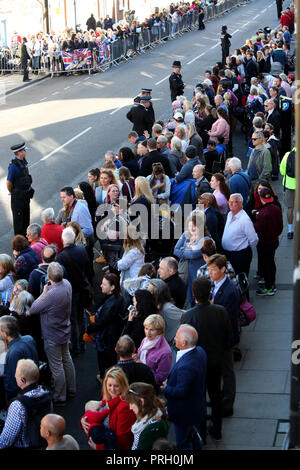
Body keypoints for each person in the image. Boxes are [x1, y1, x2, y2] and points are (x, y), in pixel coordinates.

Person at [182, 277, 233, 440]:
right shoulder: (221, 311)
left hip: (197, 364)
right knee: (216, 395)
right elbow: (228, 339)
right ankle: (217, 431)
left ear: (194, 294)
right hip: (216, 362)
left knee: (200, 398)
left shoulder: (188, 316)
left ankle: (201, 433)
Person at [27, 262, 76, 405]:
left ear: (48, 276)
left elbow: (33, 309)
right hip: (65, 330)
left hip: (52, 334)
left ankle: (60, 396)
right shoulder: (67, 284)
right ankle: (72, 389)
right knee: (67, 359)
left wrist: (44, 292)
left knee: (56, 366)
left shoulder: (51, 294)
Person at [162, 324, 207, 448]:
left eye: (176, 337)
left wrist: (166, 388)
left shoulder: (185, 366)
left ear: (184, 342)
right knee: (195, 438)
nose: (174, 338)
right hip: (196, 408)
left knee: (184, 443)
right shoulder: (200, 351)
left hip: (184, 414)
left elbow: (181, 392)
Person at [207, 254, 240, 418]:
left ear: (223, 269)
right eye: (209, 269)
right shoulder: (216, 284)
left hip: (224, 339)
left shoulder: (229, 291)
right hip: (218, 338)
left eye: (213, 270)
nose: (210, 273)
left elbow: (227, 318)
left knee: (227, 372)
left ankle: (227, 405)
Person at [56, 227, 92, 357]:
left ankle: (76, 347)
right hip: (82, 289)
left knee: (72, 320)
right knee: (81, 317)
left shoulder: (60, 257)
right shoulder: (81, 250)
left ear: (63, 240)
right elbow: (88, 269)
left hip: (70, 292)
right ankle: (83, 344)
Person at [0, 359, 52, 449]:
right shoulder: (45, 392)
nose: (14, 376)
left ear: (23, 380)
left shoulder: (17, 405)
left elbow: (6, 440)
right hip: (44, 444)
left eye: (16, 374)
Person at [81, 367, 135, 450]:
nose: (112, 389)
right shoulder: (107, 395)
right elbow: (96, 413)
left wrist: (99, 447)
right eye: (110, 385)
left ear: (123, 385)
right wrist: (84, 420)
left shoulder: (125, 407)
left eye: (116, 386)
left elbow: (123, 440)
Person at [86, 274, 124, 383]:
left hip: (106, 336)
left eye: (104, 284)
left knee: (105, 359)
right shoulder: (115, 298)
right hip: (109, 335)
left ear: (112, 287)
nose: (101, 286)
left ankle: (105, 378)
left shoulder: (112, 303)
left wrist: (90, 328)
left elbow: (102, 321)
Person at [0, 315, 39, 402]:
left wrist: (9, 401)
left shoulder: (14, 352)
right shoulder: (29, 338)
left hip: (20, 397)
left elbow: (11, 383)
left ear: (5, 334)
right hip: (33, 387)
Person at [253, 187, 283, 296]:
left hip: (265, 243)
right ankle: (271, 284)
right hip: (274, 240)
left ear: (261, 198)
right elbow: (280, 226)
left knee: (267, 265)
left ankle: (269, 287)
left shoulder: (263, 213)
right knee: (271, 263)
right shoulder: (276, 208)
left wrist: (254, 222)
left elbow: (258, 228)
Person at [222, 193, 258, 277]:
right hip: (228, 254)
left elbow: (254, 239)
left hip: (240, 256)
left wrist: (244, 247)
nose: (230, 204)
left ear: (240, 203)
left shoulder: (244, 220)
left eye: (233, 202)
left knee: (241, 281)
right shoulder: (229, 214)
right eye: (229, 201)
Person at [125, 383, 169, 450]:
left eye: (131, 403)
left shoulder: (154, 427)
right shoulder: (144, 417)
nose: (130, 407)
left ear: (141, 401)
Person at [7, 142, 34, 237]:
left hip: (25, 196)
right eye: (23, 150)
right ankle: (19, 245)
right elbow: (9, 183)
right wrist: (13, 192)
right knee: (19, 222)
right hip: (18, 198)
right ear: (19, 153)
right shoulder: (13, 166)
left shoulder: (23, 161)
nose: (25, 151)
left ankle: (26, 239)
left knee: (26, 219)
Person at [137, 315, 172, 388]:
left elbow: (160, 378)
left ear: (160, 331)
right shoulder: (145, 340)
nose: (148, 333)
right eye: (146, 328)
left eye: (152, 330)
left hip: (150, 388)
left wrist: (143, 368)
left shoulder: (165, 352)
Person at [280, 145, 296, 239]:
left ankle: (290, 230)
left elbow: (282, 171)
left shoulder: (287, 154)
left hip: (289, 185)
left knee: (290, 208)